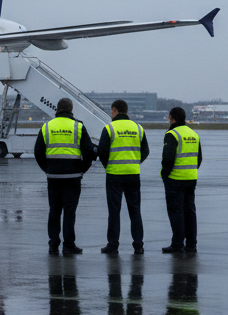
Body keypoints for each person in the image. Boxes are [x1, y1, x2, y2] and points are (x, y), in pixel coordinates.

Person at [34, 98, 96, 255]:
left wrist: (47, 169)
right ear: (71, 109)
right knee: (70, 212)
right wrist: (82, 169)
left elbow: (38, 151)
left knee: (54, 210)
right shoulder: (78, 127)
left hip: (53, 176)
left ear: (57, 109)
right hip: (73, 176)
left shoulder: (47, 126)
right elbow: (89, 152)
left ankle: (53, 244)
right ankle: (69, 245)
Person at [97, 99, 149, 254]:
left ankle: (113, 245)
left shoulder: (109, 128)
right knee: (135, 211)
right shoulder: (138, 128)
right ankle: (138, 245)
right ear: (126, 111)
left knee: (114, 212)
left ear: (114, 110)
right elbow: (145, 151)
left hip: (114, 175)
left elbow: (102, 151)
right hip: (133, 174)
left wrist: (109, 166)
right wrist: (134, 162)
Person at [161, 107, 202, 253]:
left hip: (175, 178)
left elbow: (168, 158)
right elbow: (199, 158)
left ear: (172, 118)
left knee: (176, 211)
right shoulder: (193, 134)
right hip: (191, 178)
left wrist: (164, 174)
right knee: (190, 211)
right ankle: (191, 243)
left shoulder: (172, 134)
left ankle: (177, 243)